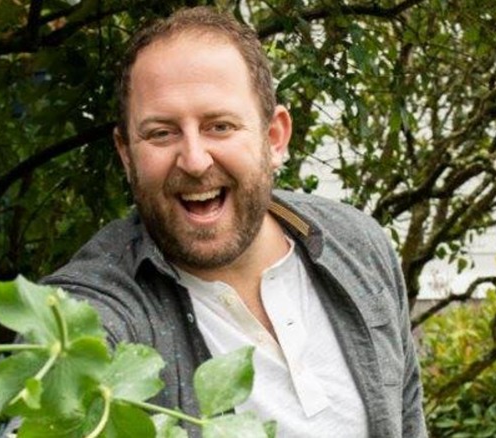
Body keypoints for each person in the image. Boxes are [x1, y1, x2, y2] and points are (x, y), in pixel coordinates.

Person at [43, 6, 427, 438]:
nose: (193, 160)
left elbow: (408, 420)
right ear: (127, 153)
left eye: (219, 126)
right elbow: (52, 405)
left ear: (274, 137)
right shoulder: (84, 312)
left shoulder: (359, 245)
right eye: (161, 133)